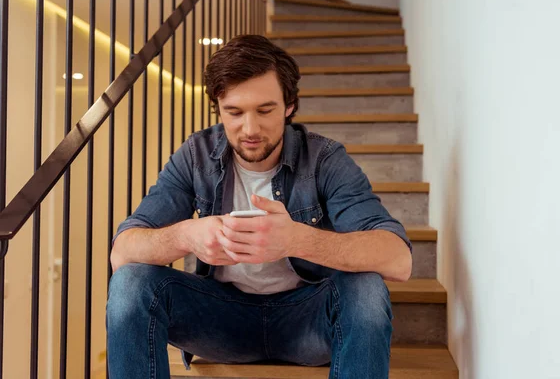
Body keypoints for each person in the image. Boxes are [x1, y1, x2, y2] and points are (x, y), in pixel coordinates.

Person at [107, 35, 413, 379]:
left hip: (306, 323)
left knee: (367, 289)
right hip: (220, 321)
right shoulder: (196, 155)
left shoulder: (325, 159)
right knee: (130, 282)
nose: (249, 129)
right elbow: (122, 253)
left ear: (290, 105)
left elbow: (397, 259)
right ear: (218, 108)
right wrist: (187, 235)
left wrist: (295, 240)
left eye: (265, 110)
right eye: (234, 112)